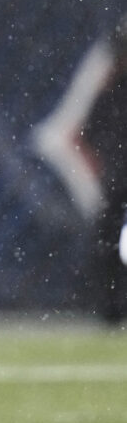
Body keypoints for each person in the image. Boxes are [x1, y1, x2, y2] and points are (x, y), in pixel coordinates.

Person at [82, 20, 127, 324]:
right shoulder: (110, 93)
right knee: (109, 245)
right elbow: (90, 135)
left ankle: (112, 307)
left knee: (110, 245)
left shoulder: (110, 93)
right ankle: (111, 308)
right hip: (118, 183)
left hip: (117, 182)